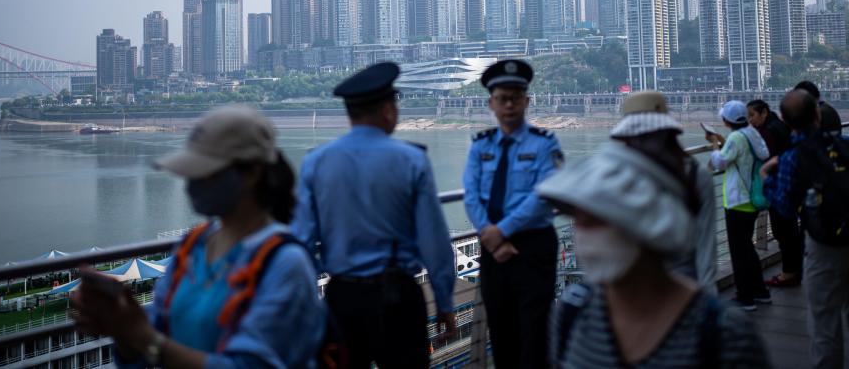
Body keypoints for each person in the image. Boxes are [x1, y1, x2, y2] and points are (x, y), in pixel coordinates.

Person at [72, 106, 325, 368]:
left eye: (205, 172)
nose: (192, 183)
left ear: (252, 173)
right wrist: (122, 331)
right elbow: (151, 341)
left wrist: (144, 338)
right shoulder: (192, 246)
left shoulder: (285, 263)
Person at [538, 141, 769, 368]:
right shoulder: (572, 311)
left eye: (598, 221)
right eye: (577, 219)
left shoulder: (723, 333)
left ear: (650, 226)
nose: (583, 236)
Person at [292, 62, 457, 369]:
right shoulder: (412, 160)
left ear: (350, 114)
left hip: (342, 297)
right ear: (387, 110)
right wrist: (445, 302)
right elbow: (434, 242)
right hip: (398, 299)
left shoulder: (316, 162)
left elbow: (301, 242)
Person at [462, 59, 562, 368]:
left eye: (515, 98)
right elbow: (471, 196)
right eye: (502, 98)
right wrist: (492, 237)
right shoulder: (481, 145)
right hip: (493, 249)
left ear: (527, 101)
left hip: (533, 247)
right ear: (491, 103)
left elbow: (544, 195)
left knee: (534, 333)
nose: (509, 105)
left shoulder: (545, 143)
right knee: (501, 330)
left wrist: (500, 231)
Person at [763, 89, 849, 369]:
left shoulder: (791, 158)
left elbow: (785, 208)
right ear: (816, 114)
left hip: (824, 245)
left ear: (786, 122)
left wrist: (767, 177)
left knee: (825, 318)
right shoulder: (845, 144)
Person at [609, 91, 717, 292]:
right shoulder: (624, 174)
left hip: (682, 281)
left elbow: (705, 239)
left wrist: (706, 294)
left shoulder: (695, 175)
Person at [706, 100, 771, 311]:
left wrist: (714, 144)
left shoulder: (736, 137)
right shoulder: (751, 133)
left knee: (739, 252)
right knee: (747, 249)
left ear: (726, 120)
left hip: (738, 201)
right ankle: (760, 291)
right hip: (751, 200)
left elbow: (719, 162)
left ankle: (746, 296)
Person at [747, 98, 803, 288]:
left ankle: (789, 273)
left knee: (783, 230)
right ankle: (794, 270)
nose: (750, 120)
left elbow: (763, 154)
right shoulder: (778, 125)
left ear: (764, 113)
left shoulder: (770, 131)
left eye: (752, 115)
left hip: (779, 185)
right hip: (788, 183)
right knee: (790, 230)